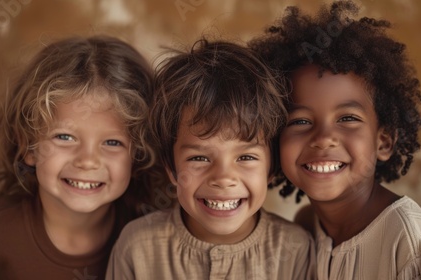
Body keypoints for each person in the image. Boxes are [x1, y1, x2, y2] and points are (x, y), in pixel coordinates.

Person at [250, 1, 421, 279]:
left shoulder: (413, 244)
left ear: (383, 142)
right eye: (300, 121)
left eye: (347, 118)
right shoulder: (306, 228)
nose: (324, 139)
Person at [106, 39, 315, 280]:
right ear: (171, 168)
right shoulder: (137, 247)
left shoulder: (295, 248)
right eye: (199, 158)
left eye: (246, 157)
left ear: (271, 167)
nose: (223, 178)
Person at [0, 35, 159, 279]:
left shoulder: (153, 240)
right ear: (29, 147)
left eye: (112, 142)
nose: (87, 161)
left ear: (138, 154)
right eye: (64, 137)